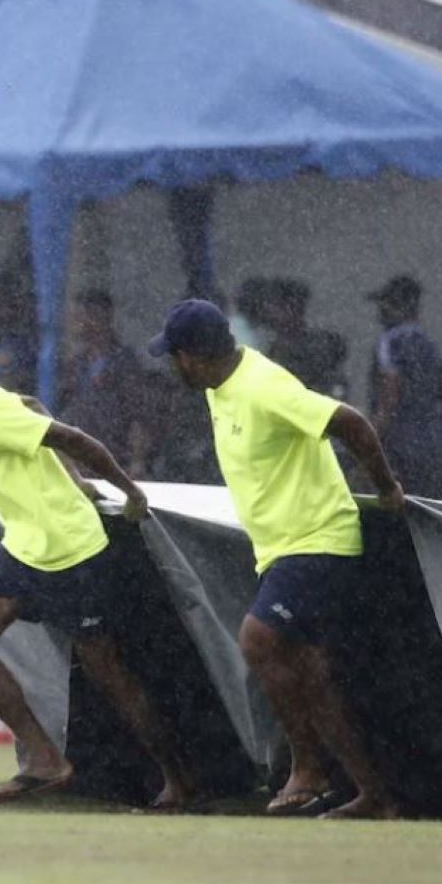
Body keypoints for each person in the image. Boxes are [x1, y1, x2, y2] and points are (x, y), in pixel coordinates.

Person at [0, 322, 195, 809]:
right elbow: (33, 407)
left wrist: (126, 490)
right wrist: (70, 475)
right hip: (25, 546)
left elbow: (72, 436)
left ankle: (180, 779)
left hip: (71, 549)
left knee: (110, 675)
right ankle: (44, 759)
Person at [151, 299, 405, 820]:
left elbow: (351, 422)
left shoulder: (264, 386)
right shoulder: (221, 387)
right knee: (311, 674)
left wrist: (387, 489)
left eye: (174, 356)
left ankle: (307, 771)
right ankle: (373, 793)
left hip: (317, 538)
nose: (172, 367)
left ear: (195, 357)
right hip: (280, 547)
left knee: (258, 638)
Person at [367, 275, 442, 498]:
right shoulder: (429, 344)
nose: (379, 310)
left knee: (393, 512)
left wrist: (369, 439)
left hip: (398, 446)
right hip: (432, 446)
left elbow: (390, 397)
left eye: (384, 303)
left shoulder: (391, 340)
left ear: (397, 304)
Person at [61, 289, 158, 479]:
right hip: (80, 462)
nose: (80, 324)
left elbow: (138, 417)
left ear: (104, 318)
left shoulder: (125, 363)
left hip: (113, 461)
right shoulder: (76, 365)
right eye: (78, 317)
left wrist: (136, 462)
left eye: (88, 316)